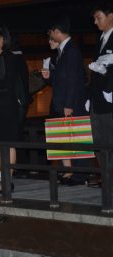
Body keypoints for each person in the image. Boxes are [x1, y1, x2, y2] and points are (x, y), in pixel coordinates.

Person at [42, 16, 88, 186]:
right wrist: (49, 76)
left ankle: (80, 175)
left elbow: (74, 79)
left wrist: (68, 104)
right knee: (66, 138)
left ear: (56, 31)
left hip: (71, 103)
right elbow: (62, 78)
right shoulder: (64, 50)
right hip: (63, 101)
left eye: (51, 33)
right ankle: (70, 173)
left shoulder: (71, 50)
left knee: (75, 137)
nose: (50, 37)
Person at [0, 24, 21, 193]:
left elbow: (8, 83)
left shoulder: (11, 57)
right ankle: (1, 178)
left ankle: (8, 179)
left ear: (3, 39)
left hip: (6, 105)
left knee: (8, 143)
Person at [88, 2, 113, 189]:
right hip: (97, 100)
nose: (95, 22)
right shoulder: (101, 39)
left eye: (99, 17)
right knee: (99, 142)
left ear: (110, 16)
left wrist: (106, 75)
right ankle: (106, 178)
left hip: (109, 99)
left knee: (110, 141)